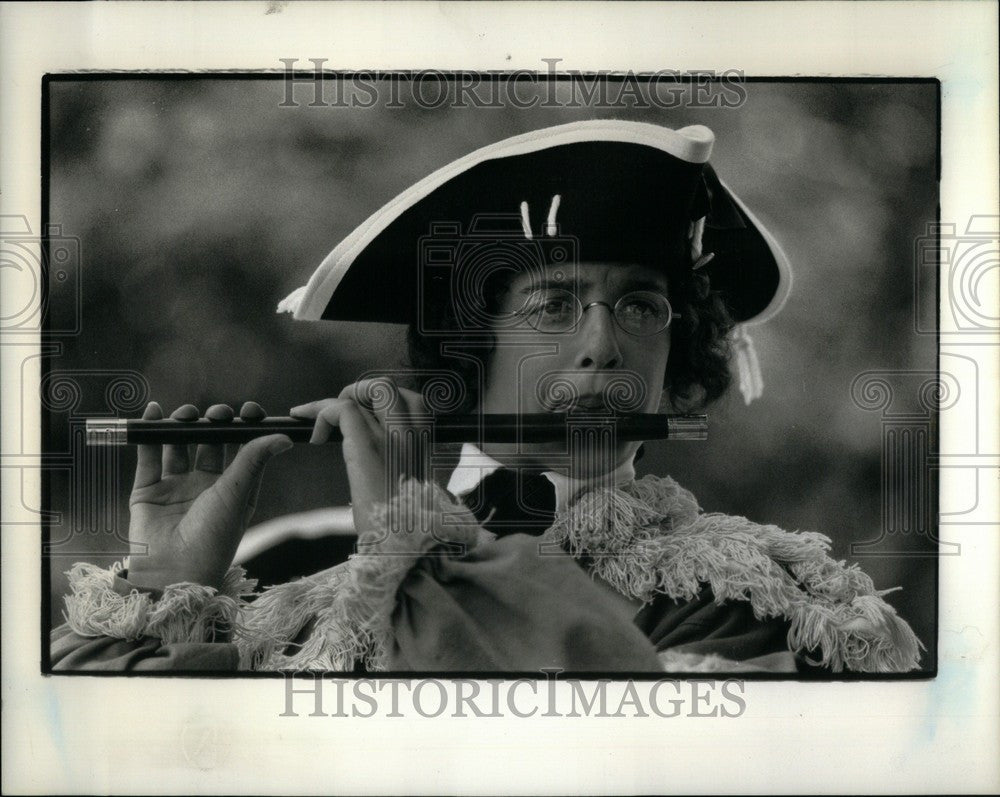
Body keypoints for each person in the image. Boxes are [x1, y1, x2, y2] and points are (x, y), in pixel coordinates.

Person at [51, 120, 922, 674]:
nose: (603, 343)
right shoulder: (290, 597)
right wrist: (165, 588)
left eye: (641, 306)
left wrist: (410, 533)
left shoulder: (772, 601)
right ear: (472, 344)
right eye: (554, 303)